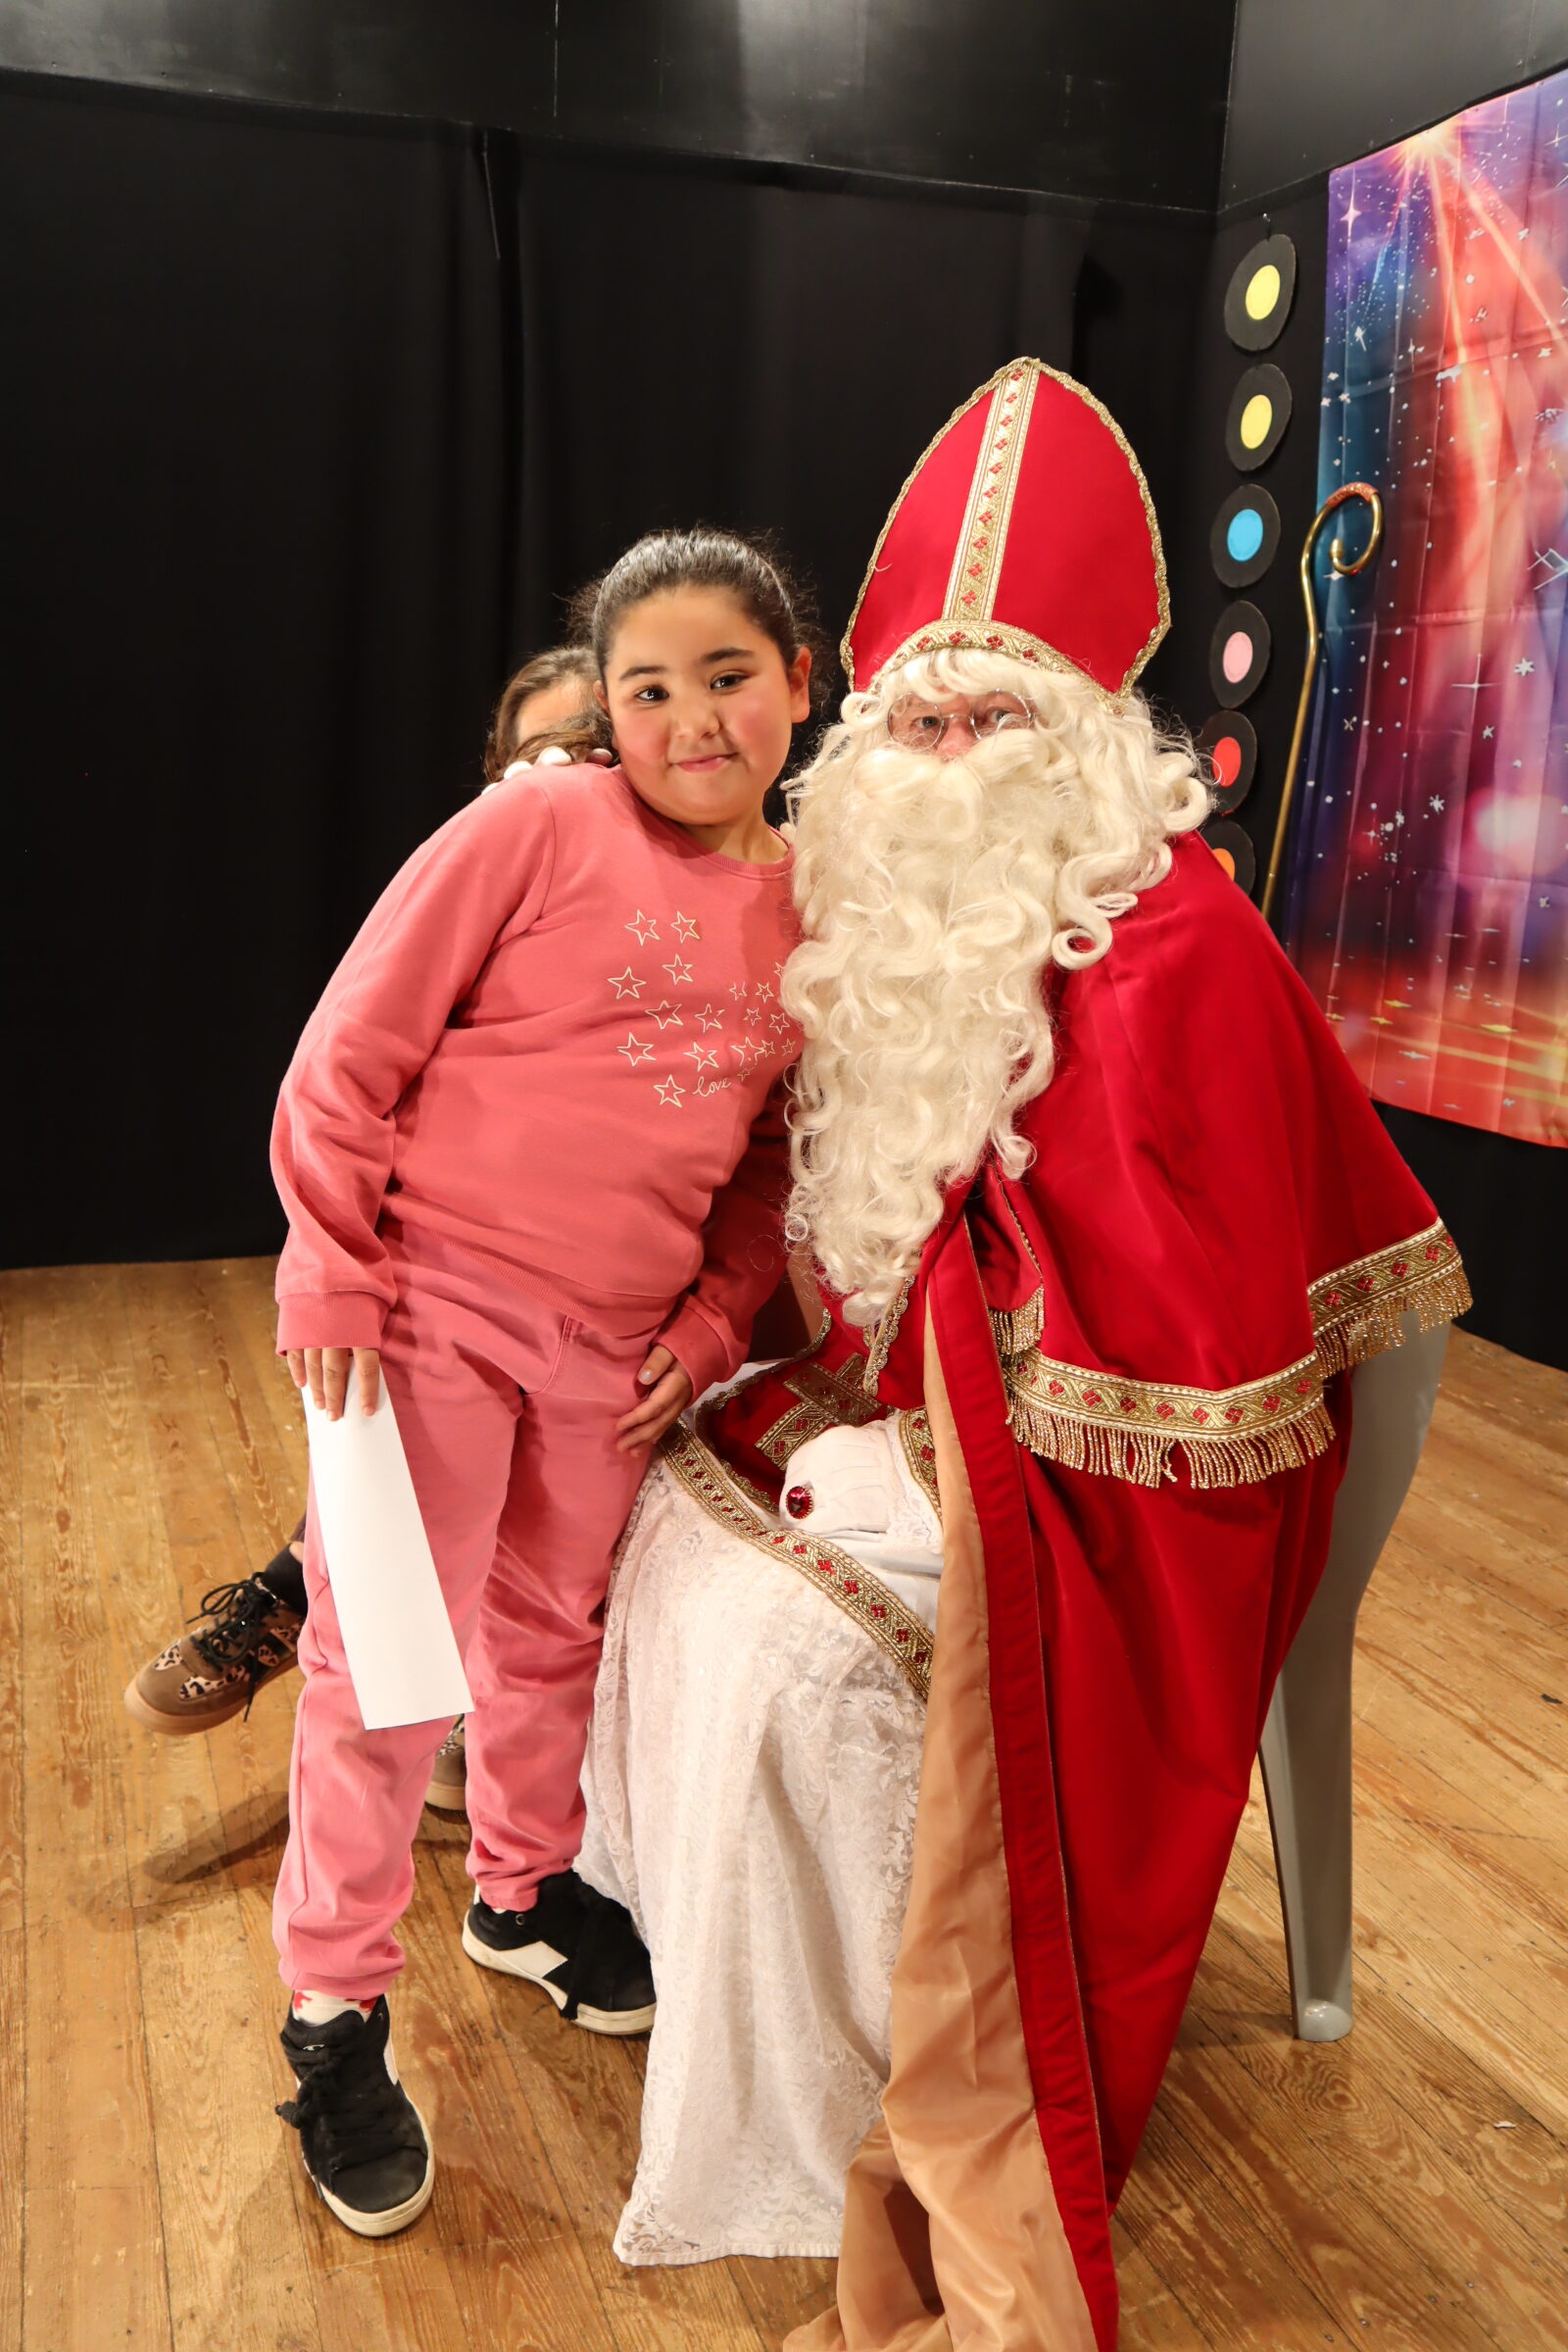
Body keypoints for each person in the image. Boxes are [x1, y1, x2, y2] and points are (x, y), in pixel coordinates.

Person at [577, 360, 1470, 2344]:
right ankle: (681, 1958)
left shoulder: (1175, 947)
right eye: (920, 719)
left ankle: (844, 2093)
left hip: (1113, 1495)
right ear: (865, 739)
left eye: (999, 719)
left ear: (1084, 743)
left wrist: (923, 1419)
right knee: (647, 1510)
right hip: (912, 1411)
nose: (953, 755)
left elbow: (1183, 1355)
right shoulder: (866, 911)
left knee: (794, 1655)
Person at [265, 528, 816, 2241]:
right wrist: (332, 1266)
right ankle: (334, 2015)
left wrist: (713, 1325)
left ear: (800, 682)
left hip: (614, 1352)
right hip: (428, 1307)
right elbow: (350, 1048)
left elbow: (768, 1170)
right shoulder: (539, 824)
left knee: (549, 1636)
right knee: (385, 1673)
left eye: (726, 676)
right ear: (605, 706)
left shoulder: (818, 907)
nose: (689, 718)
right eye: (648, 688)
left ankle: (519, 1894)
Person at [122, 640, 603, 1814]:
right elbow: (341, 1084)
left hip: (617, 1303)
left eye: (595, 747)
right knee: (412, 1422)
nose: (570, 774)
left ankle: (328, 1602)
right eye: (541, 754)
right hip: (458, 1282)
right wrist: (335, 1277)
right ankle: (307, 1587)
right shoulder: (479, 896)